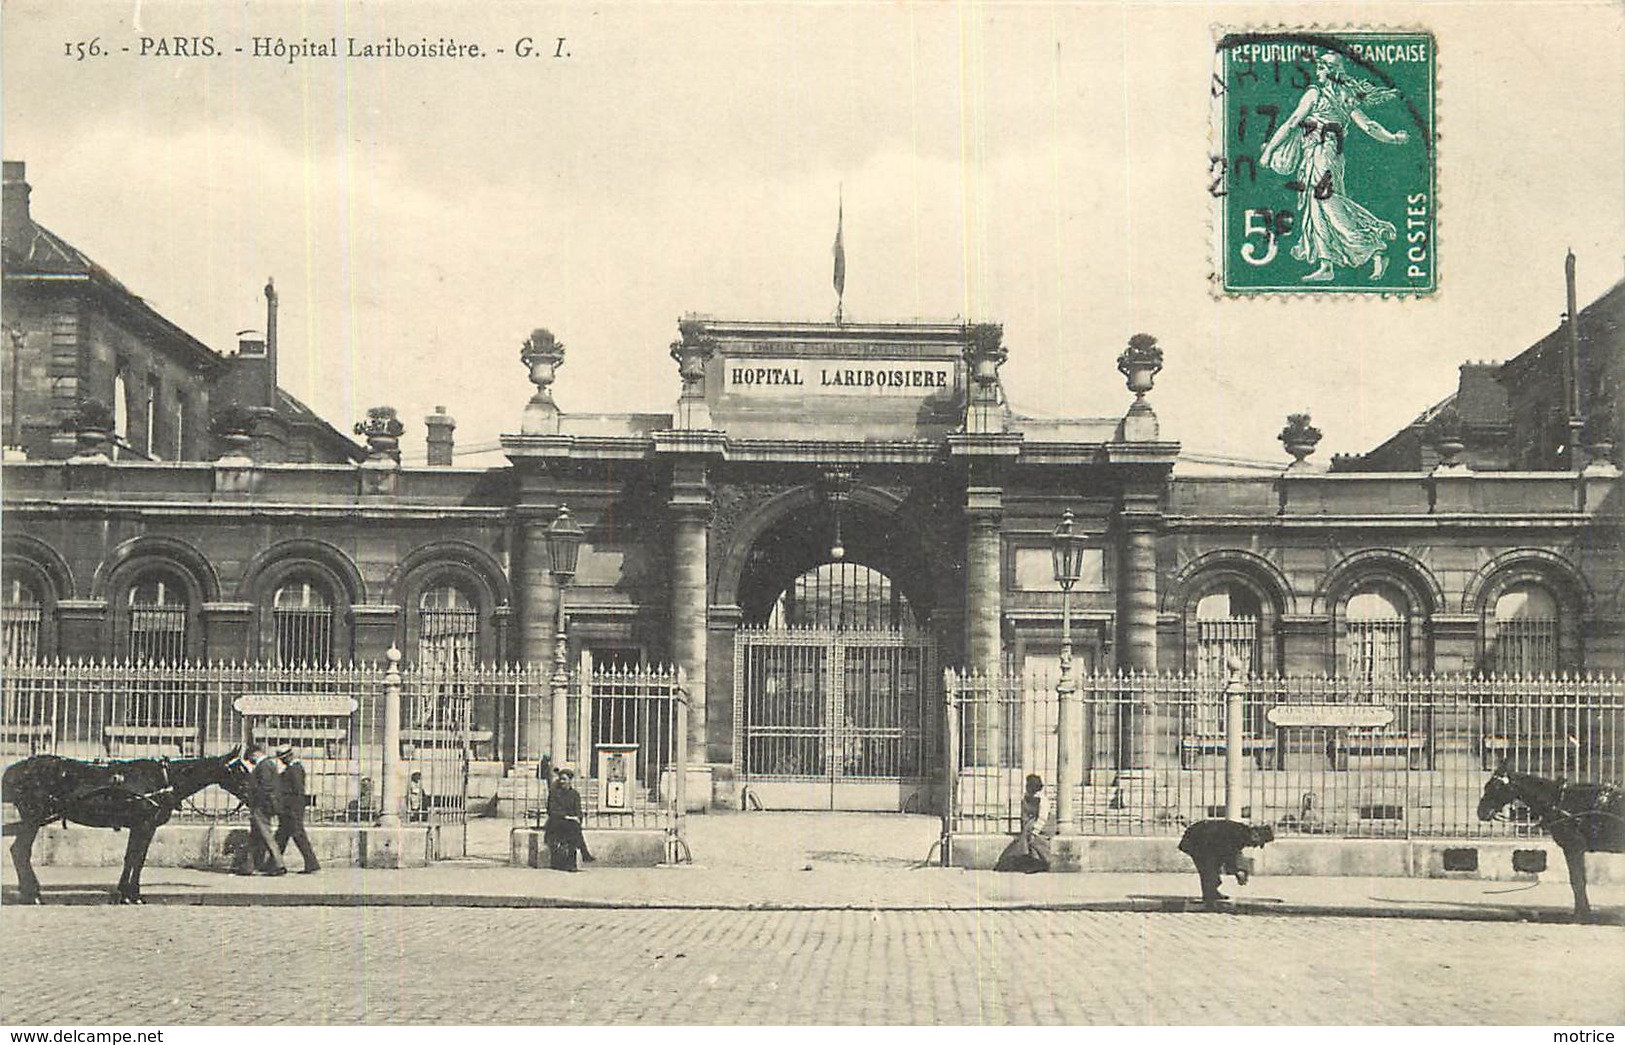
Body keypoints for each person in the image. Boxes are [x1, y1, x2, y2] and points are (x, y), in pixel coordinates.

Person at [1259, 50, 1410, 283]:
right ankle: (1326, 264)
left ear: (1329, 72)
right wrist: (1392, 138)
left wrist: (1269, 151)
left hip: (1322, 156)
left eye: (1321, 67)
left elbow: (1291, 123)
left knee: (1326, 203)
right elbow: (1368, 125)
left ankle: (1374, 246)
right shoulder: (1346, 96)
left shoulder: (1315, 93)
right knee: (1317, 206)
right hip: (1325, 157)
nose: (1317, 71)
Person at [1178, 819, 1274, 909]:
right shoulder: (1239, 834)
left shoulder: (1242, 833)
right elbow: (1230, 855)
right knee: (1209, 868)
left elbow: (1228, 854)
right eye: (1258, 843)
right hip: (1196, 839)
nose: (1255, 846)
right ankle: (1209, 900)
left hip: (1205, 841)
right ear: (1255, 835)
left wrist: (1237, 870)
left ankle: (1212, 893)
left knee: (1214, 865)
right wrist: (1238, 871)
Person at [273, 745, 320, 874]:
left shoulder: (295, 769)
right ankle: (273, 863)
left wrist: (294, 810)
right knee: (282, 836)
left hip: (292, 809)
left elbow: (298, 791)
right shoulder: (292, 768)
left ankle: (312, 864)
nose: (281, 761)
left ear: (289, 756)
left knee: (298, 835)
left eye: (283, 758)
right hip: (289, 808)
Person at [243, 744, 286, 876]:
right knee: (255, 837)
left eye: (250, 758)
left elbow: (266, 787)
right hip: (261, 805)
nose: (250, 761)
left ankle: (279, 865)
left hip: (261, 806)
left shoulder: (264, 765)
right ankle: (249, 866)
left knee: (266, 835)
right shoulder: (268, 764)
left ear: (255, 754)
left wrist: (253, 798)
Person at [995, 773, 1051, 873]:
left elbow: (1043, 817)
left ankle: (1038, 861)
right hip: (1029, 825)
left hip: (1043, 826)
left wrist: (1035, 831)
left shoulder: (1042, 800)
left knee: (1031, 838)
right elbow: (1024, 814)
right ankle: (1030, 860)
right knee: (1026, 836)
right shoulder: (1026, 797)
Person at [542, 766, 595, 871]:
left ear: (570, 780)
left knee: (573, 829)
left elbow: (578, 811)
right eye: (561, 779)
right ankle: (582, 855)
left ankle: (573, 863)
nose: (562, 782)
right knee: (574, 828)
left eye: (564, 779)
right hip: (556, 823)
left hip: (570, 824)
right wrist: (568, 817)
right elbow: (552, 811)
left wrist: (578, 819)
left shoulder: (574, 794)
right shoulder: (554, 793)